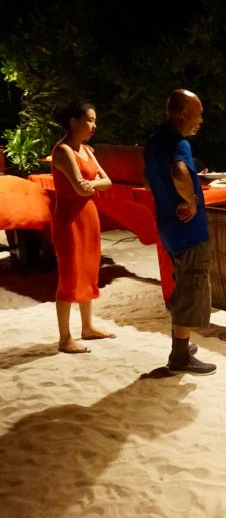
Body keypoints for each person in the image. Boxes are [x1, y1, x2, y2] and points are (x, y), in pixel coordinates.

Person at [143, 89, 217, 375]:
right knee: (191, 285)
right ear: (183, 113)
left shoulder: (153, 141)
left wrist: (167, 200)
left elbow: (147, 178)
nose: (201, 119)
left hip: (168, 227)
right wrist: (190, 200)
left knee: (181, 282)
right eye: (198, 113)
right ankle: (180, 356)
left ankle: (182, 345)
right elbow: (179, 172)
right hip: (188, 230)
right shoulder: (178, 143)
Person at [49, 100, 115, 353]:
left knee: (89, 269)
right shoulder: (64, 150)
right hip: (69, 219)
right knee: (70, 275)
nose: (94, 125)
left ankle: (87, 327)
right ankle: (64, 338)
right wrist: (92, 184)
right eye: (89, 120)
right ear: (73, 122)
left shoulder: (87, 150)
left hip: (88, 214)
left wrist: (93, 185)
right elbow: (78, 186)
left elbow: (107, 181)